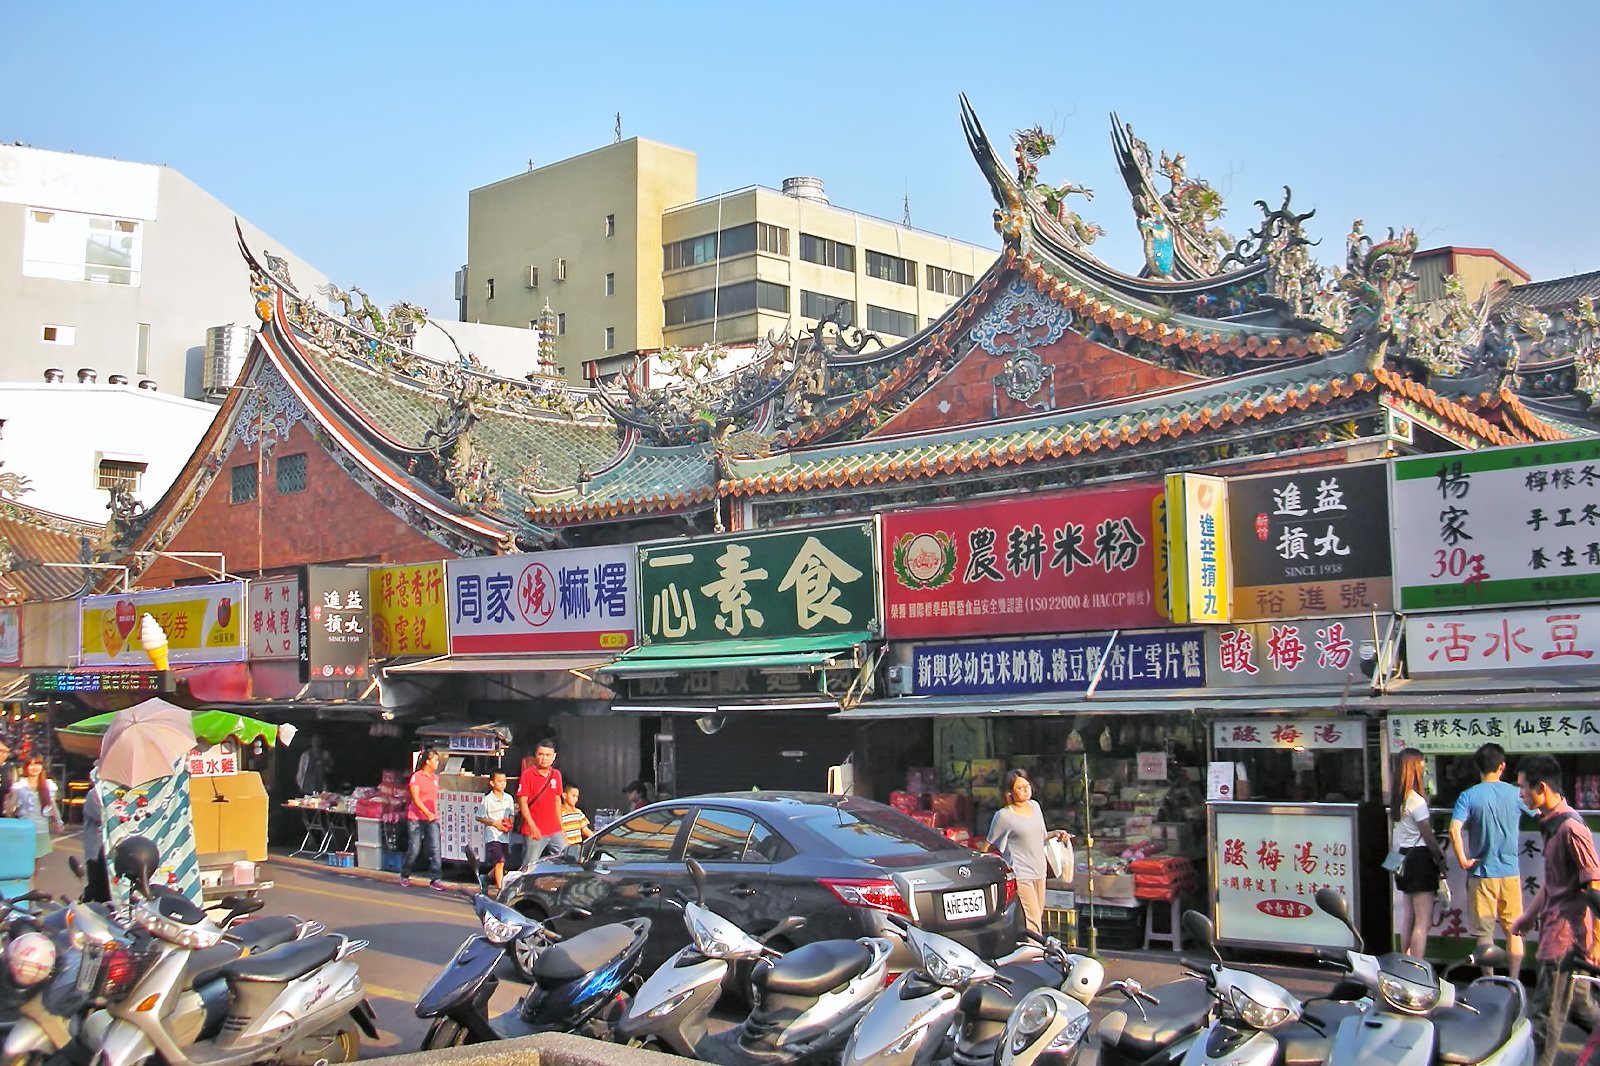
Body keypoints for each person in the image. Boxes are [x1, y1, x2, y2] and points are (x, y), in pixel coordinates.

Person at [1511, 754, 1600, 1066]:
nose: (1520, 794)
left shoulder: (1571, 829)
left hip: (1564, 939)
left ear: (1542, 787)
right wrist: (1529, 915)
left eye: (1523, 788)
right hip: (1555, 930)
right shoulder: (1551, 824)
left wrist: (1598, 942)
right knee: (1579, 1008)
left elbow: (1595, 886)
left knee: (1544, 1021)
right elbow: (1553, 882)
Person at [1449, 742, 1525, 975]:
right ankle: (1514, 980)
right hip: (1510, 872)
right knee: (1514, 931)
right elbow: (1541, 812)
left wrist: (1463, 859)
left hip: (1481, 873)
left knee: (1485, 934)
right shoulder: (1517, 794)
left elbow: (1454, 829)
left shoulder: (1468, 796)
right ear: (1502, 766)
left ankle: (1489, 982)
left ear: (1477, 767)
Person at [986, 769, 1070, 936]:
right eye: (1020, 788)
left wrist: (1057, 834)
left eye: (1027, 785)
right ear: (1009, 792)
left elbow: (1041, 837)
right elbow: (988, 844)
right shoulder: (1003, 816)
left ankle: (1030, 949)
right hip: (1021, 873)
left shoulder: (1035, 806)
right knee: (1033, 920)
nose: (1025, 789)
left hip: (1040, 870)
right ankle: (1036, 957)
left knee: (1037, 915)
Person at [1390, 747, 1447, 958]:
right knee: (1422, 921)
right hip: (1421, 859)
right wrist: (1440, 856)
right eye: (1422, 765)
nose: (1424, 769)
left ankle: (1404, 960)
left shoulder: (1399, 799)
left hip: (1403, 857)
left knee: (1409, 917)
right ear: (1415, 768)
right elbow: (1428, 836)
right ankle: (1416, 967)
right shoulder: (1417, 800)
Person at [4, 754, 62, 865]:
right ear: (25, 767)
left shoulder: (48, 785)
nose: (34, 767)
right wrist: (9, 805)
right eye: (31, 764)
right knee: (23, 863)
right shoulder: (20, 785)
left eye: (38, 764)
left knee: (35, 865)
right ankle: (28, 883)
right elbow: (11, 805)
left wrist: (59, 821)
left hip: (41, 830)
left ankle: (32, 883)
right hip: (24, 829)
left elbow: (53, 805)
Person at [517, 740, 565, 869]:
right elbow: (522, 802)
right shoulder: (527, 775)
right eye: (541, 754)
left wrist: (561, 827)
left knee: (566, 859)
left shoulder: (556, 775)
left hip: (555, 830)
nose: (544, 758)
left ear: (554, 756)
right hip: (534, 830)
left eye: (548, 755)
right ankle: (520, 888)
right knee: (529, 865)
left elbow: (557, 801)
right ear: (536, 755)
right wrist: (532, 826)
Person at [401, 749, 444, 890]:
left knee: (435, 848)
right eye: (435, 760)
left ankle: (436, 878)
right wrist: (427, 812)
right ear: (427, 761)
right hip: (416, 818)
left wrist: (432, 814)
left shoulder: (435, 778)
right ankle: (405, 874)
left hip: (432, 818)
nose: (437, 763)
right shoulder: (416, 777)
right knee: (414, 848)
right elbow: (416, 798)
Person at [475, 771, 516, 890]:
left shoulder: (508, 798)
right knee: (499, 862)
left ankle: (486, 878)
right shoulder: (487, 799)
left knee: (502, 863)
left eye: (504, 781)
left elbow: (511, 814)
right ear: (492, 783)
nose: (503, 784)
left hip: (505, 835)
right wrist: (494, 823)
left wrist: (510, 823)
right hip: (492, 835)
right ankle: (500, 890)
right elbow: (479, 816)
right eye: (499, 781)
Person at [80, 778, 110, 903]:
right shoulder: (94, 794)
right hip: (96, 850)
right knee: (97, 887)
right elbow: (102, 816)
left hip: (113, 852)